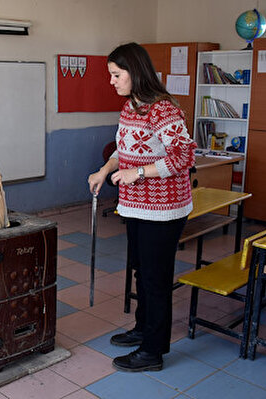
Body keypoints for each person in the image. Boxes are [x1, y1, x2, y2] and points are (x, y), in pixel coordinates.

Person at [88, 43, 196, 372]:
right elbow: (124, 149)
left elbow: (184, 157)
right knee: (140, 270)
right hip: (135, 207)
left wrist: (136, 173)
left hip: (164, 209)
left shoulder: (164, 110)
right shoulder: (130, 107)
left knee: (155, 278)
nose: (112, 81)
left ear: (135, 73)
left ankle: (153, 351)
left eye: (116, 75)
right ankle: (143, 329)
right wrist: (105, 170)